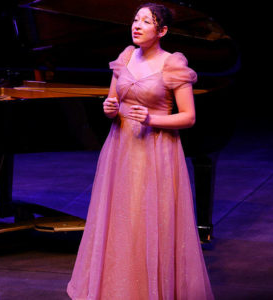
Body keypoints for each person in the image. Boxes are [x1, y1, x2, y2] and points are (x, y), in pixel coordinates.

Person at [67, 3, 214, 299]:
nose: (137, 25)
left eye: (146, 21)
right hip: (121, 148)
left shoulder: (172, 64)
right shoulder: (125, 57)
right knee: (120, 218)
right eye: (135, 20)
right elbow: (114, 101)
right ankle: (116, 288)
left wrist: (152, 119)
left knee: (149, 219)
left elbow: (188, 116)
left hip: (156, 151)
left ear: (161, 31)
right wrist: (109, 109)